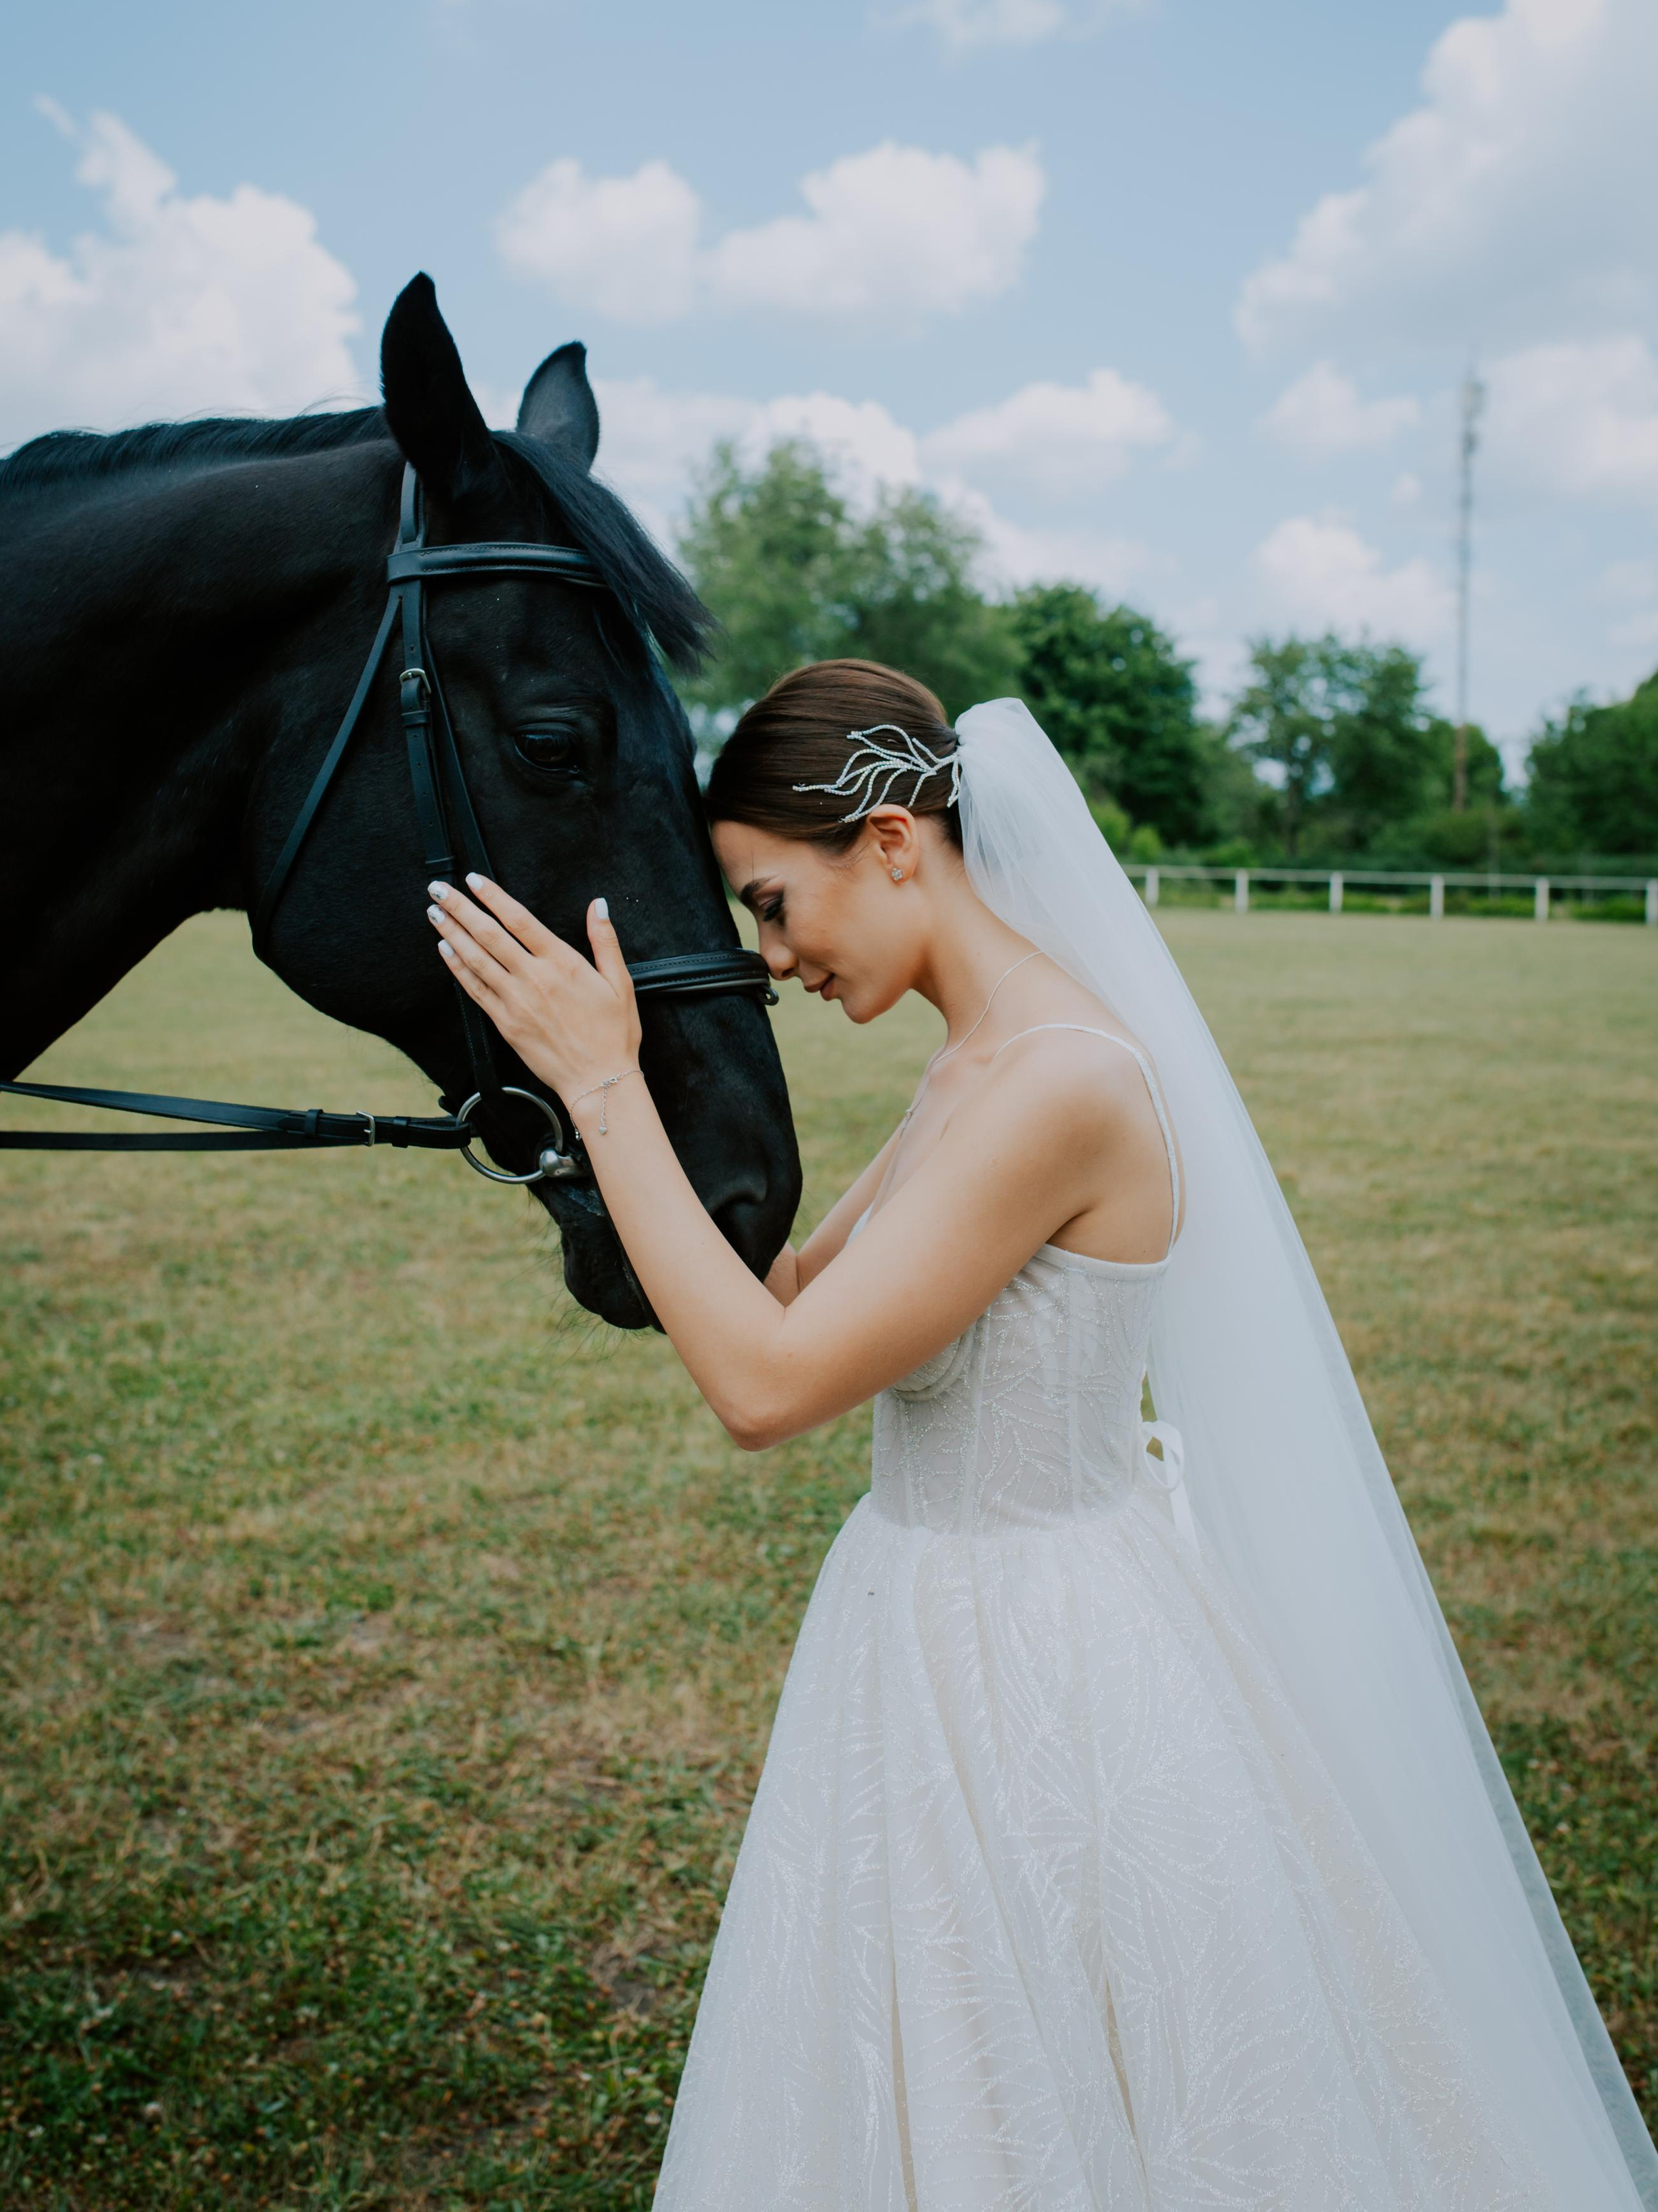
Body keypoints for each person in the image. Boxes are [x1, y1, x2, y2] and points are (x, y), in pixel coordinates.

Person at [427, 661, 1656, 2211]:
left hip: (1049, 1660)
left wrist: (602, 1085)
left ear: (887, 842)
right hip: (929, 1622)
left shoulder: (1055, 1085)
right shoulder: (972, 1070)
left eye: (772, 903)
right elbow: (786, 1294)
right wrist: (591, 1091)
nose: (770, 955)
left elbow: (767, 1385)